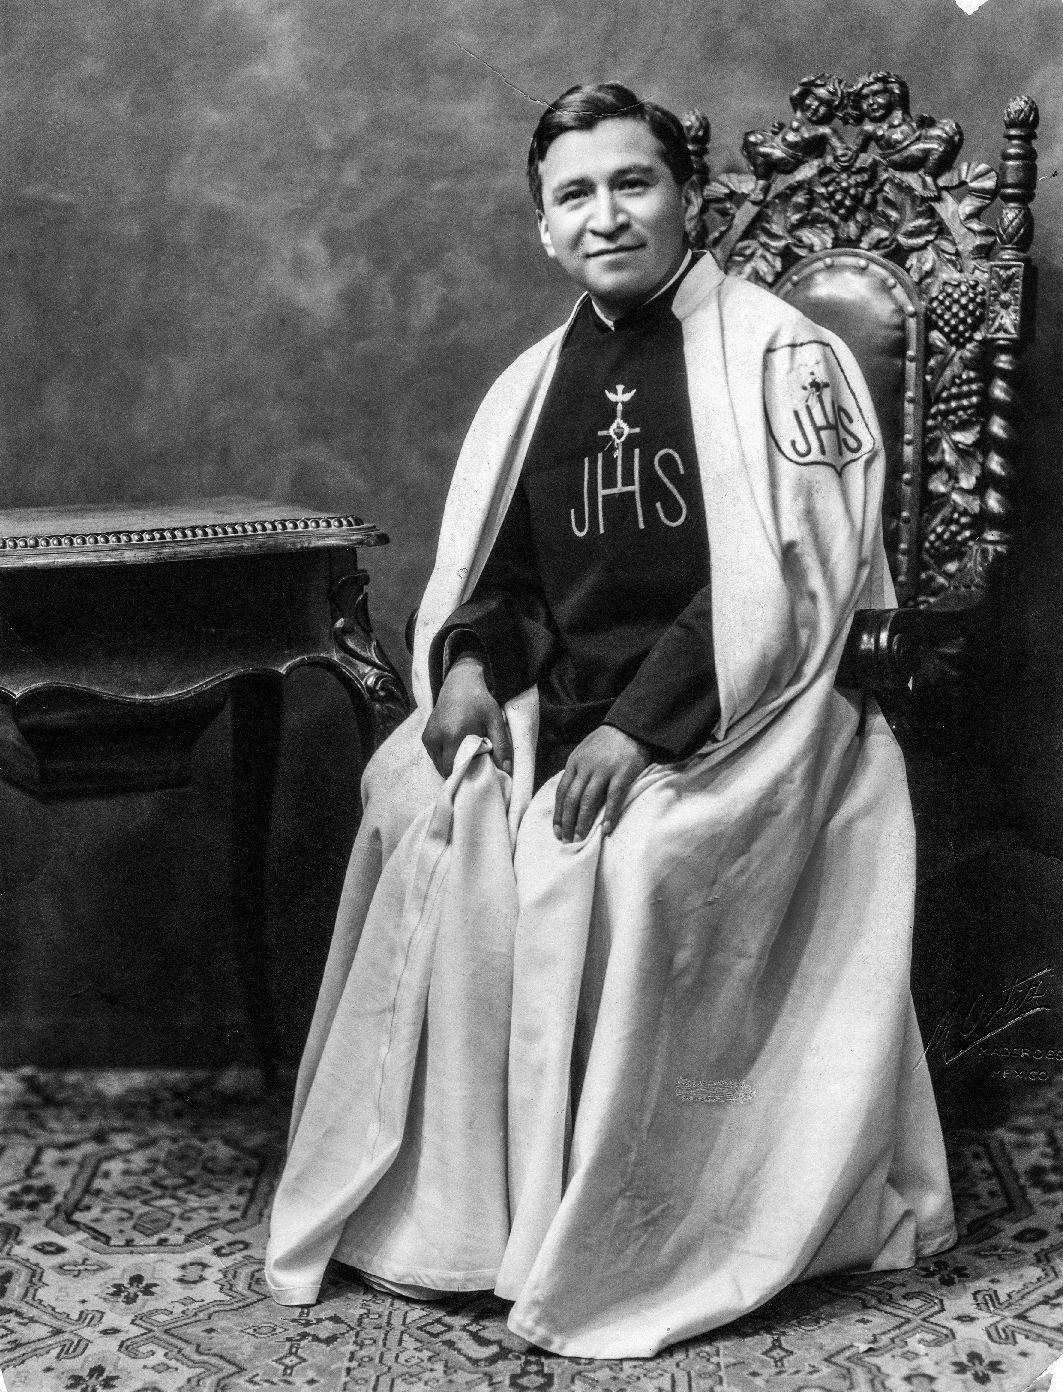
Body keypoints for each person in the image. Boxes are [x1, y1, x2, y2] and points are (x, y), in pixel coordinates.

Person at [264, 82, 956, 1359]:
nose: (606, 215)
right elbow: (509, 579)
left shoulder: (781, 358)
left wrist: (639, 729)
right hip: (566, 699)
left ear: (688, 197)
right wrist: (471, 666)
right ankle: (476, 1221)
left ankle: (630, 1231)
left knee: (636, 862)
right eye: (573, 195)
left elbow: (799, 585)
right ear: (543, 228)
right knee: (426, 805)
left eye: (632, 183)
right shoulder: (534, 385)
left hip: (753, 712)